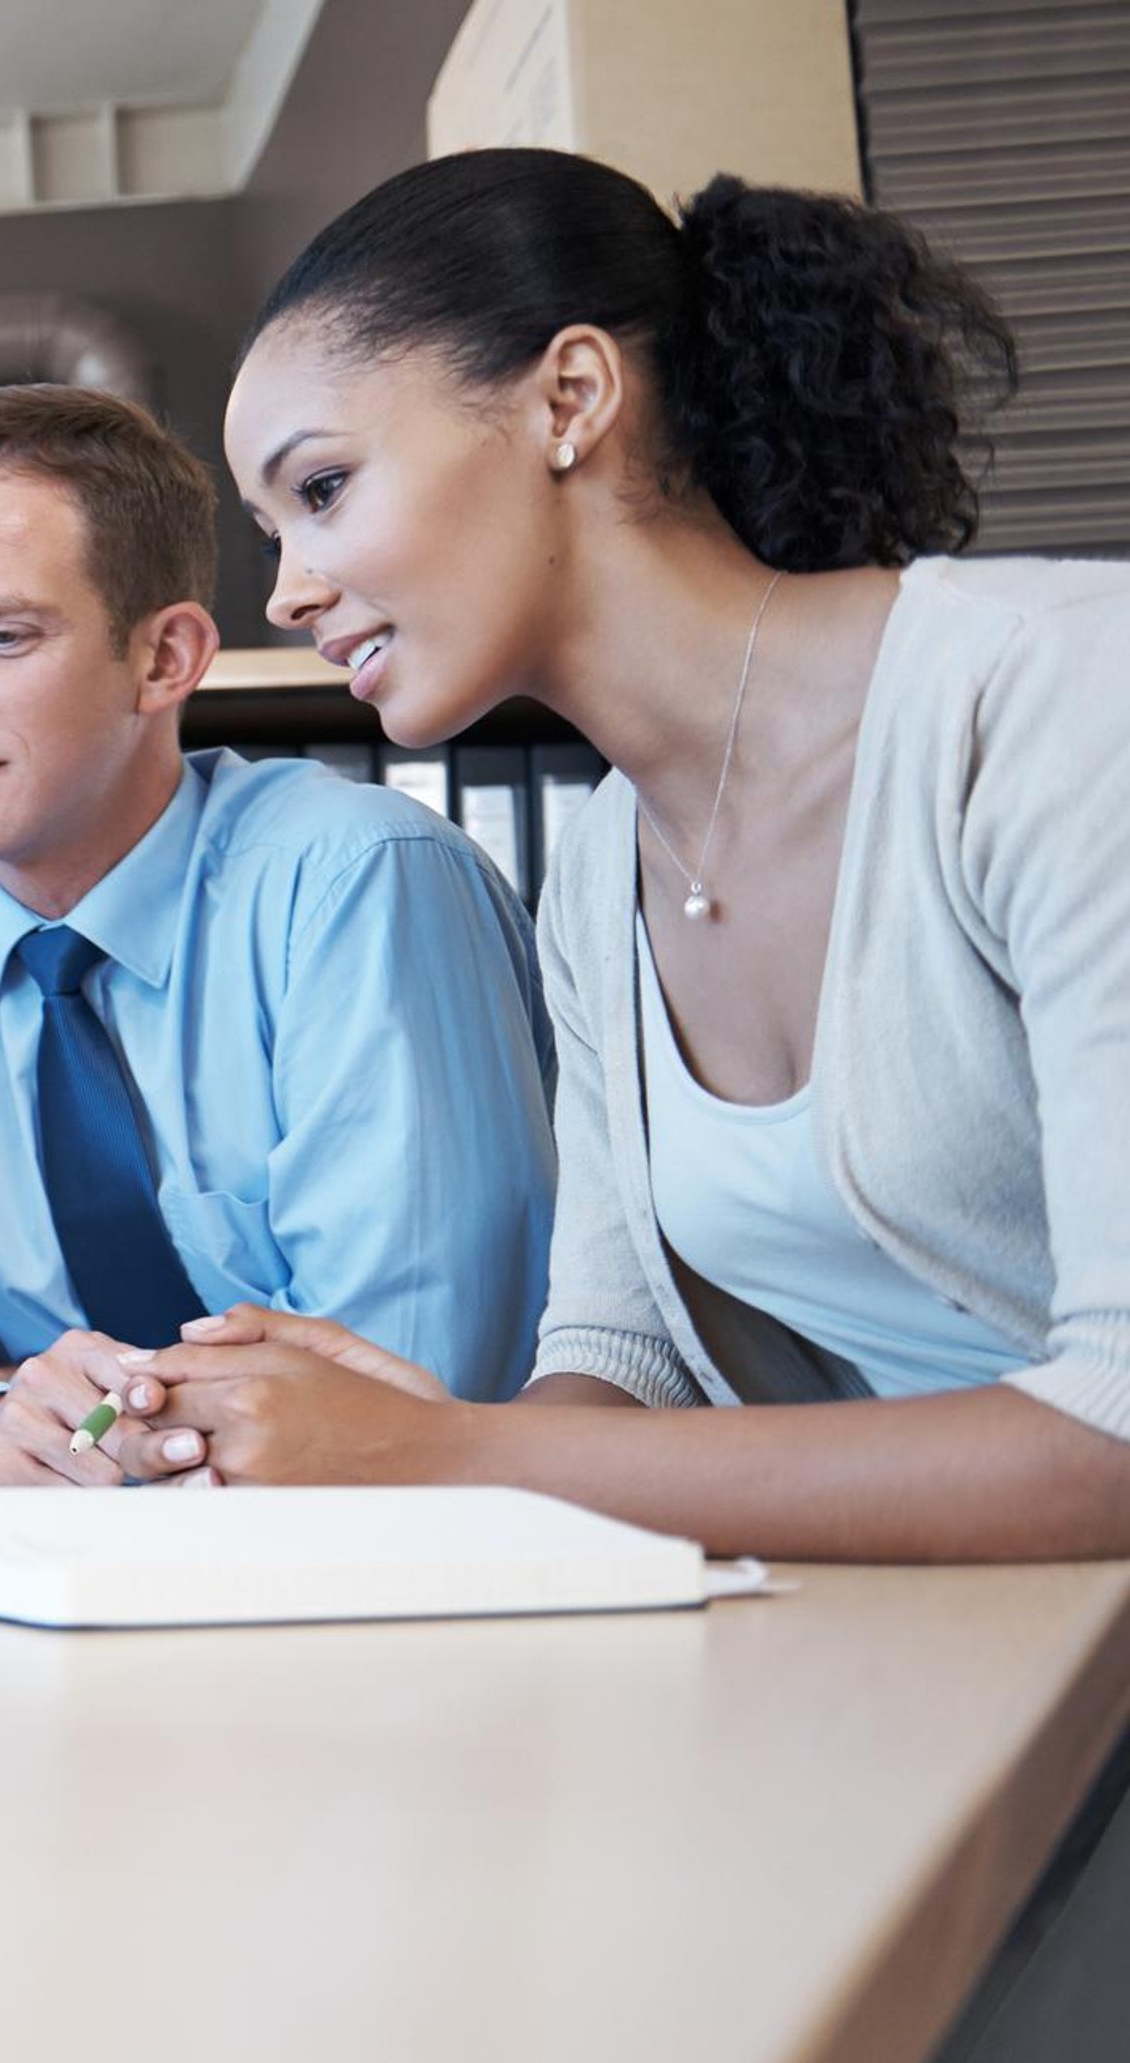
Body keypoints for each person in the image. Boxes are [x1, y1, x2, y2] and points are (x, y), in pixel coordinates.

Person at [120, 147, 1130, 1561]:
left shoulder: (1061, 696)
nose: (286, 591)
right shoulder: (601, 873)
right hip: (928, 1670)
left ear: (570, 399)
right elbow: (626, 1356)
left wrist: (458, 1456)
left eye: (326, 487)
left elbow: (1117, 1436)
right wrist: (398, 1450)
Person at [0, 383, 555, 1489]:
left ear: (165, 659)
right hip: (75, 1579)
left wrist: (104, 1431)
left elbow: (410, 1377)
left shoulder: (361, 881)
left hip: (406, 1579)